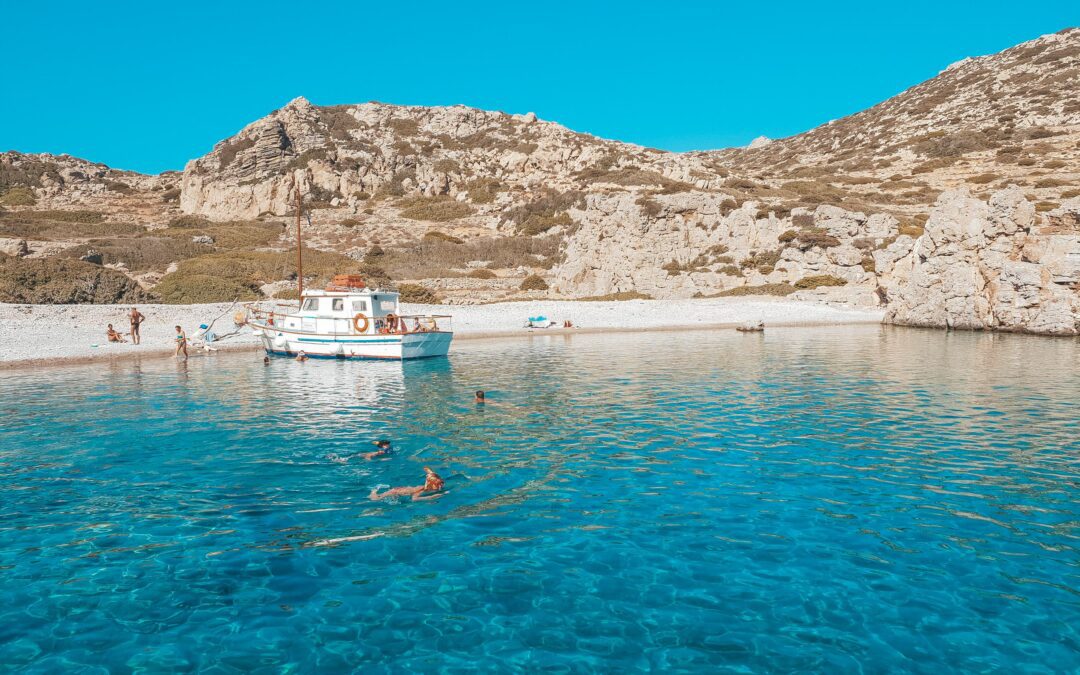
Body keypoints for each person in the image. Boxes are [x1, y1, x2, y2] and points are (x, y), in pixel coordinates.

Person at [369, 466, 445, 501]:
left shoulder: (429, 486)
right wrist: (431, 497)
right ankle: (373, 491)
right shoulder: (424, 490)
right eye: (439, 484)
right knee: (375, 499)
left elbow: (431, 475)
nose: (441, 485)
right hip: (396, 491)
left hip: (401, 489)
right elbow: (414, 499)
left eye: (441, 483)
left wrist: (430, 472)